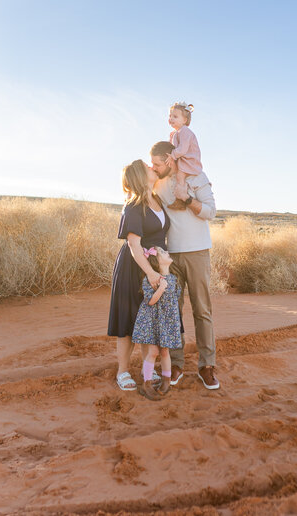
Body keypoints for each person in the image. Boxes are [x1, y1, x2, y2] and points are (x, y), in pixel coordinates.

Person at [151, 141, 220, 390]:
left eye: (158, 163)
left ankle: (206, 366)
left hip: (198, 252)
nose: (154, 168)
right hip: (171, 256)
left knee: (202, 310)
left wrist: (187, 198)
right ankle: (177, 363)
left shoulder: (196, 176)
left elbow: (211, 211)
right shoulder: (157, 182)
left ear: (170, 159)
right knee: (174, 313)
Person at [107, 159, 170, 392]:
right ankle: (122, 371)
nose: (152, 167)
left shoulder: (158, 200)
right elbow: (134, 244)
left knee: (150, 319)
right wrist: (151, 272)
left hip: (154, 267)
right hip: (134, 268)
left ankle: (147, 368)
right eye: (147, 167)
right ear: (139, 176)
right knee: (128, 319)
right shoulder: (134, 206)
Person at [132, 246, 182, 401]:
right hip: (152, 321)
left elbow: (175, 299)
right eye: (163, 253)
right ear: (157, 261)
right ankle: (146, 384)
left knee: (165, 352)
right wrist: (161, 288)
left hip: (166, 321)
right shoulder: (150, 279)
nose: (168, 253)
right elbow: (151, 301)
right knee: (153, 352)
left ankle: (166, 381)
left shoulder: (174, 278)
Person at [166, 102, 203, 210]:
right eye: (170, 116)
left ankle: (180, 200)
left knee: (180, 177)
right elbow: (173, 146)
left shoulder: (185, 131)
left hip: (189, 160)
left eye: (175, 116)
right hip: (183, 159)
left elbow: (182, 149)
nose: (171, 118)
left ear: (184, 120)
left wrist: (172, 155)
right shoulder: (176, 132)